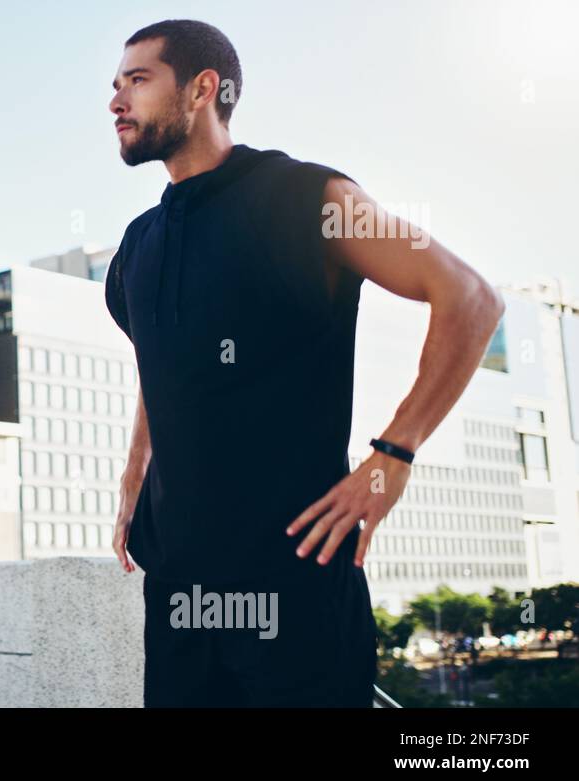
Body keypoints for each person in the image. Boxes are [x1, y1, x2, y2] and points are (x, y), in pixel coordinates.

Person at [103, 20, 504, 707]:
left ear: (203, 89)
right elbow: (160, 362)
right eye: (115, 85)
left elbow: (469, 297)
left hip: (298, 578)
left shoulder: (305, 198)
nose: (116, 101)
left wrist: (391, 455)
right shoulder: (136, 246)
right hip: (180, 590)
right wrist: (134, 476)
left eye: (137, 81)